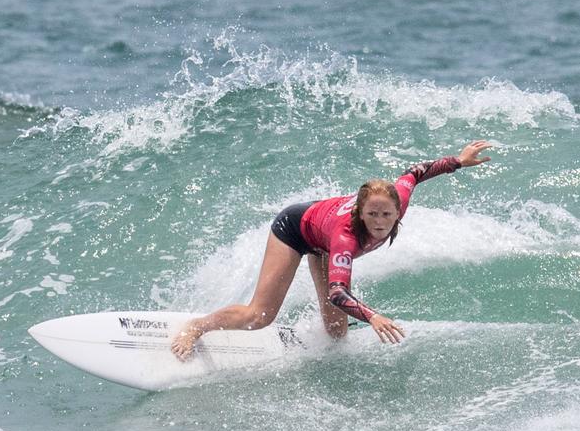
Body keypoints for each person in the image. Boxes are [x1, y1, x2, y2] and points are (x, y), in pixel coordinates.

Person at [171, 140, 493, 361]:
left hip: (320, 230)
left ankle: (299, 337)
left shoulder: (399, 199)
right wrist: (373, 316)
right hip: (296, 229)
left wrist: (458, 162)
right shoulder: (346, 238)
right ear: (361, 212)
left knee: (336, 333)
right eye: (372, 214)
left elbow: (416, 173)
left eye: (386, 215)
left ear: (398, 211)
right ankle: (196, 328)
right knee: (260, 315)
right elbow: (338, 292)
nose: (379, 222)